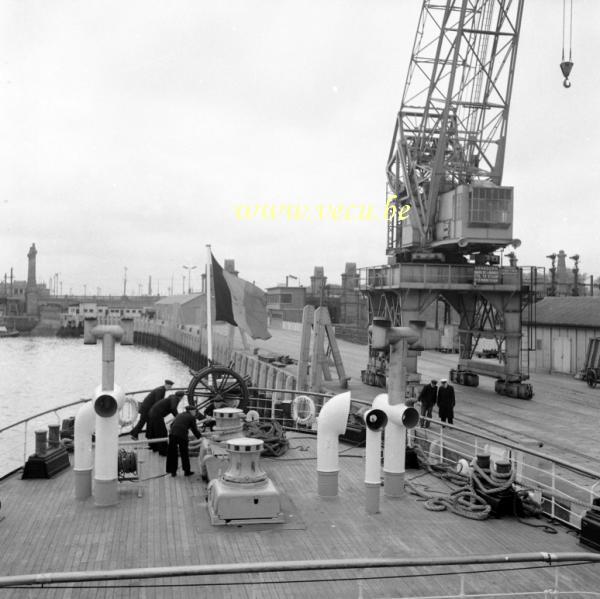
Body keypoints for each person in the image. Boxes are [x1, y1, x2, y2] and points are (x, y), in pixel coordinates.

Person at [166, 405, 202, 477]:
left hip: (172, 434)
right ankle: (186, 471)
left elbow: (171, 425)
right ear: (191, 411)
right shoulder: (191, 417)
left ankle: (173, 472)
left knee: (172, 453)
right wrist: (200, 437)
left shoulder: (179, 415)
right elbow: (194, 429)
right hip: (182, 435)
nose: (195, 413)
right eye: (195, 411)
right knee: (184, 453)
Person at [147, 390, 185, 455]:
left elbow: (170, 408)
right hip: (157, 415)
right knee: (162, 432)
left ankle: (154, 447)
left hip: (151, 412)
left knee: (154, 432)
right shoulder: (175, 399)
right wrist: (178, 417)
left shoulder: (171, 397)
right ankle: (163, 451)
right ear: (181, 397)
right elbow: (173, 408)